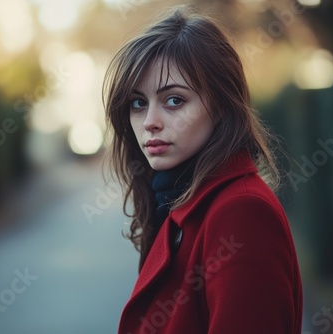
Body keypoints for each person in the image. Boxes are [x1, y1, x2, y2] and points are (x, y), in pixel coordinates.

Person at [103, 6, 303, 334]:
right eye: (138, 103)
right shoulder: (177, 202)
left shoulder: (241, 212)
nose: (150, 122)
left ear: (222, 106)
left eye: (174, 100)